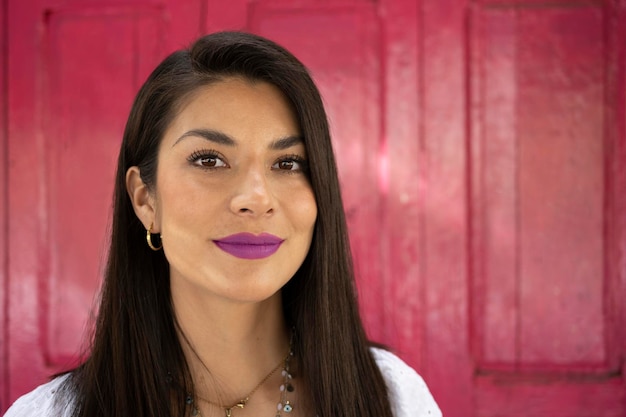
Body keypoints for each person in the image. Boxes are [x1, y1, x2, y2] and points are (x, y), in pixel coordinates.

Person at [3, 31, 441, 417]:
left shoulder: (395, 399)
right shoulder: (49, 413)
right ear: (144, 199)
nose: (256, 198)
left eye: (288, 163)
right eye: (209, 160)